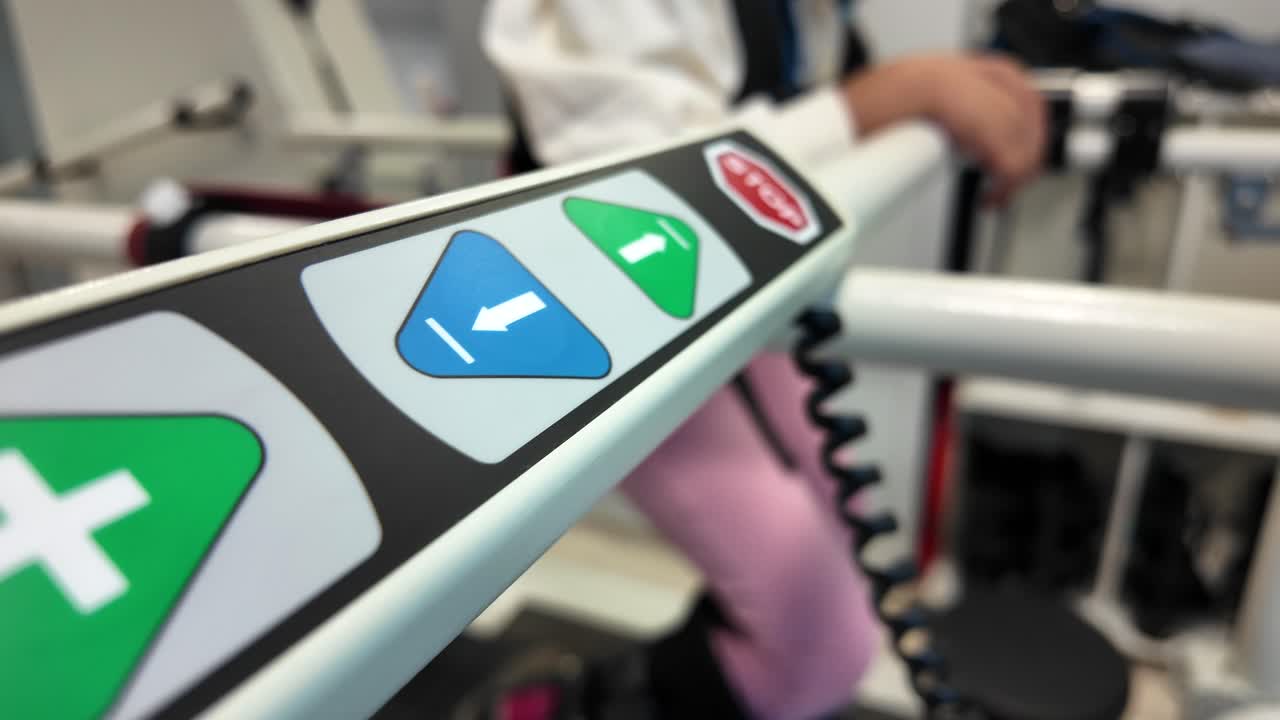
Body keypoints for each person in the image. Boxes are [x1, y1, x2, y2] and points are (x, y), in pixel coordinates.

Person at [460, 2, 1047, 718]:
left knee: (844, 533)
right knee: (821, 647)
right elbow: (642, 186)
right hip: (601, 306)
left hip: (735, 285)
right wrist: (892, 96)